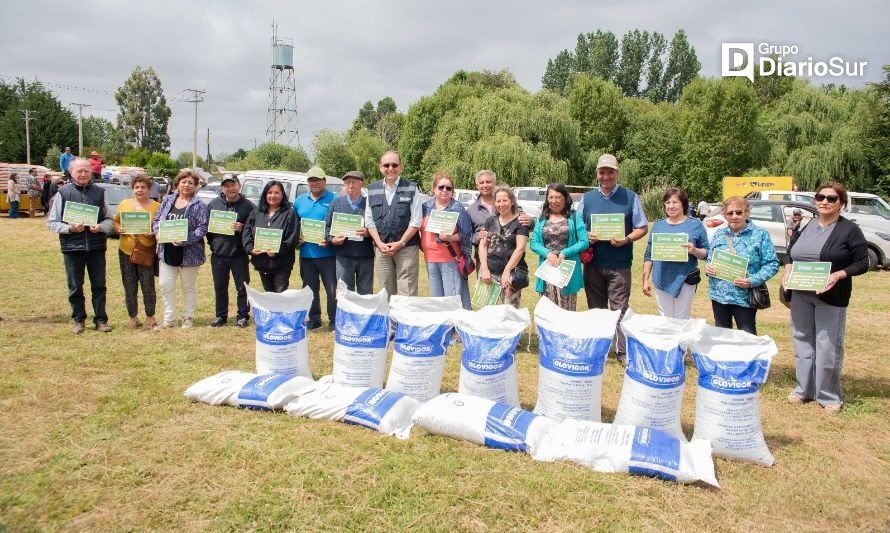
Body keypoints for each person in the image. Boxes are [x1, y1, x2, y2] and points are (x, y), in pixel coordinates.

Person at [784, 182, 869, 413]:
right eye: (821, 197)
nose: (825, 202)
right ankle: (803, 390)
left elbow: (863, 262)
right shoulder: (808, 224)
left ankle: (829, 396)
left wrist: (839, 275)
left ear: (841, 204)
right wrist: (788, 268)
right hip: (801, 294)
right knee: (801, 340)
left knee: (827, 345)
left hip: (831, 296)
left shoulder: (849, 230)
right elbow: (791, 252)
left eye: (832, 199)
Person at [578, 154, 648, 365]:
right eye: (602, 172)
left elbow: (642, 227)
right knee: (596, 309)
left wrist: (626, 239)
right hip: (593, 264)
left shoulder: (630, 197)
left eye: (610, 172)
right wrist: (585, 235)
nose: (606, 176)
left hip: (619, 264)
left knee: (619, 309)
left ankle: (622, 351)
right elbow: (577, 226)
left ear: (617, 173)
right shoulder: (587, 199)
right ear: (597, 174)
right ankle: (599, 349)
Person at [46, 158, 114, 334]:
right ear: (71, 173)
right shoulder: (63, 193)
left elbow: (109, 220)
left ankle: (101, 320)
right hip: (72, 247)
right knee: (75, 286)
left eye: (86, 170)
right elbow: (52, 223)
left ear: (91, 171)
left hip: (96, 247)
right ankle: (78, 320)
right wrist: (69, 228)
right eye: (79, 171)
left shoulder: (100, 192)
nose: (83, 174)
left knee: (99, 285)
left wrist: (100, 227)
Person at [704, 196, 779, 335]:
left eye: (738, 212)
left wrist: (752, 281)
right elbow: (710, 258)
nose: (734, 216)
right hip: (719, 296)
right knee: (721, 338)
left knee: (747, 338)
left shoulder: (760, 235)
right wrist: (708, 267)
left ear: (747, 213)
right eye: (730, 213)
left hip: (744, 298)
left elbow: (772, 264)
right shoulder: (719, 234)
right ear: (724, 215)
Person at [152, 169, 209, 329]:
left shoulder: (200, 205)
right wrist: (157, 233)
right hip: (167, 251)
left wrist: (185, 240)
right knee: (165, 285)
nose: (187, 185)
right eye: (184, 182)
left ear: (195, 186)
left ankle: (187, 317)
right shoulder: (167, 200)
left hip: (189, 253)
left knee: (188, 287)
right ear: (177, 184)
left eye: (191, 183)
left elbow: (202, 228)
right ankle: (169, 319)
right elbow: (157, 220)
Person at [641, 187, 710, 319]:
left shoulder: (695, 225)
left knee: (681, 317)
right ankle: (669, 340)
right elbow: (649, 254)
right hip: (661, 277)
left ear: (683, 204)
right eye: (668, 202)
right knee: (665, 317)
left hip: (685, 278)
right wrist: (645, 280)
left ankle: (682, 341)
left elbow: (706, 252)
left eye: (675, 202)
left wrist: (694, 250)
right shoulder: (658, 225)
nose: (671, 206)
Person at [365, 151, 422, 297]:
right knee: (385, 290)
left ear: (401, 167)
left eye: (394, 165)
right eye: (386, 165)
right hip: (382, 248)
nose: (390, 168)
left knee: (407, 290)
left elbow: (416, 221)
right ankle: (390, 321)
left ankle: (405, 320)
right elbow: (369, 220)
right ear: (380, 167)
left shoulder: (411, 188)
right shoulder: (372, 189)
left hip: (406, 248)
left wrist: (401, 243)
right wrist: (378, 243)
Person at [530, 183, 589, 311]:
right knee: (548, 314)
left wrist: (565, 252)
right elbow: (534, 243)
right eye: (550, 197)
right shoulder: (542, 218)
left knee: (566, 313)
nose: (554, 201)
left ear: (565, 198)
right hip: (547, 274)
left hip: (567, 273)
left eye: (558, 197)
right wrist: (548, 253)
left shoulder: (574, 217)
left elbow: (584, 241)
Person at [206, 174, 255, 328]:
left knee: (242, 287)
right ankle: (221, 316)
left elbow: (255, 229)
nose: (230, 188)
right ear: (222, 188)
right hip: (219, 255)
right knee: (220, 287)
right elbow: (208, 229)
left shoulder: (249, 206)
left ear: (239, 185)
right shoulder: (213, 204)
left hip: (239, 255)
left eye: (233, 184)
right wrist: (213, 245)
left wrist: (242, 227)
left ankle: (243, 316)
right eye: (227, 185)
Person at [113, 172, 160, 329]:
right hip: (125, 250)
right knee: (129, 284)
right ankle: (132, 316)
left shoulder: (157, 206)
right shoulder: (124, 204)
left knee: (148, 285)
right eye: (137, 187)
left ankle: (150, 316)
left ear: (149, 189)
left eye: (143, 187)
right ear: (132, 189)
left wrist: (153, 233)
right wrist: (119, 229)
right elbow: (115, 222)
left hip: (146, 251)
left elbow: (160, 227)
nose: (140, 190)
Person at [420, 173, 473, 309]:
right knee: (436, 300)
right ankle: (443, 328)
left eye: (448, 188)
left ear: (452, 191)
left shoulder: (458, 208)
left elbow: (467, 235)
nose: (444, 190)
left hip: (449, 260)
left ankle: (455, 329)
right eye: (441, 187)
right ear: (433, 189)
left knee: (452, 299)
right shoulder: (425, 207)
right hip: (430, 259)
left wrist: (450, 238)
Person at [294, 166, 337, 329]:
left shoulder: (334, 199)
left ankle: (334, 320)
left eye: (318, 180)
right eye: (311, 180)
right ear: (308, 182)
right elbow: (294, 224)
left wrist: (330, 240)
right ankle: (314, 318)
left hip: (328, 253)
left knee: (331, 289)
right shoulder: (299, 201)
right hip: (306, 254)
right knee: (309, 289)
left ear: (324, 181)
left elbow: (338, 225)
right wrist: (296, 239)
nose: (315, 183)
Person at [243, 180, 299, 293]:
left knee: (278, 296)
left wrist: (277, 251)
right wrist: (250, 249)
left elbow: (292, 238)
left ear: (282, 195)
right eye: (269, 192)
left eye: (276, 193)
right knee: (268, 294)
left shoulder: (289, 213)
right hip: (262, 263)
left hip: (282, 264)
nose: (272, 196)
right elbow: (247, 232)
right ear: (265, 194)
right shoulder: (256, 212)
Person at [478, 186, 529, 307]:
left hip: (511, 275)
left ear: (512, 201)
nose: (501, 204)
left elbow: (520, 249)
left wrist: (507, 271)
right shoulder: (490, 221)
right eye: (498, 201)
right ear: (494, 203)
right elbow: (483, 246)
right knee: (488, 311)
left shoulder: (520, 222)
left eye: (505, 200)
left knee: (509, 313)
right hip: (489, 274)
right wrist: (484, 269)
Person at [467, 169, 533, 261]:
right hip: (484, 259)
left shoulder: (506, 203)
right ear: (477, 186)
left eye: (488, 182)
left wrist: (530, 221)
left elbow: (525, 221)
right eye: (481, 183)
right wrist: (477, 237)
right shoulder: (471, 209)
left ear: (494, 183)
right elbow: (467, 236)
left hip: (511, 257)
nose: (485, 185)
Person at [325, 170, 374, 294]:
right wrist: (332, 239)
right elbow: (326, 227)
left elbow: (378, 227)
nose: (350, 186)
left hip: (365, 256)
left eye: (354, 182)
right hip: (343, 257)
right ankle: (345, 314)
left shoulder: (370, 204)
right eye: (347, 183)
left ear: (361, 184)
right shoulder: (336, 203)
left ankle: (364, 314)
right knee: (344, 293)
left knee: (365, 293)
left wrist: (369, 232)